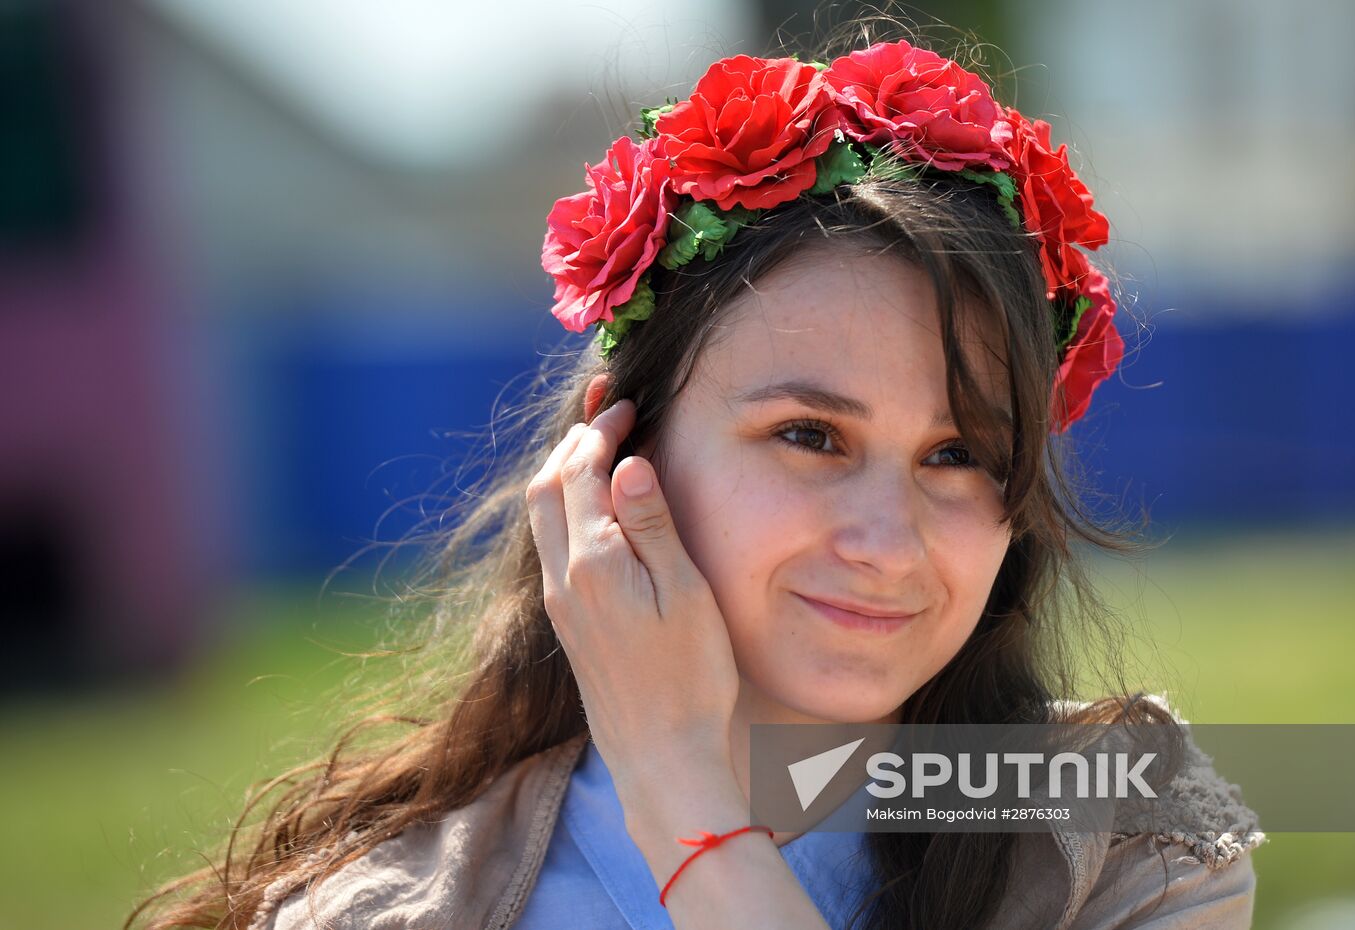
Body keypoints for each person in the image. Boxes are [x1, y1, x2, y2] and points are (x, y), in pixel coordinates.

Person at [128, 23, 1264, 930]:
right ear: (616, 456)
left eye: (956, 454)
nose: (887, 539)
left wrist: (685, 806)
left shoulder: (1126, 836)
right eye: (808, 435)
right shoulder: (388, 908)